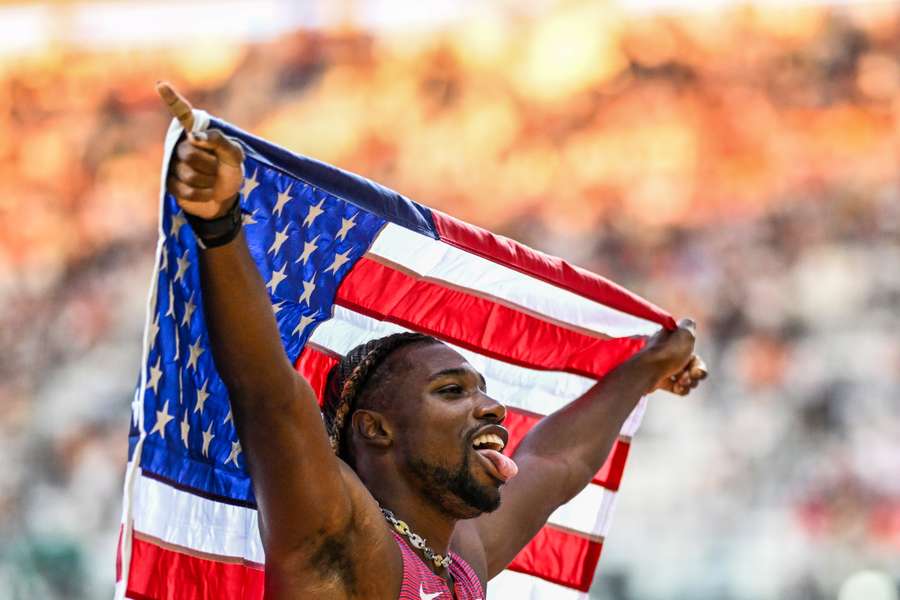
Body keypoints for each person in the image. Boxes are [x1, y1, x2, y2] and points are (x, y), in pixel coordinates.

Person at [157, 82, 708, 600]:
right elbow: (269, 395)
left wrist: (649, 366)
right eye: (451, 391)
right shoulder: (339, 533)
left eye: (480, 390)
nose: (492, 408)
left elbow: (556, 460)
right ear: (376, 429)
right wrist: (220, 226)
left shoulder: (461, 556)